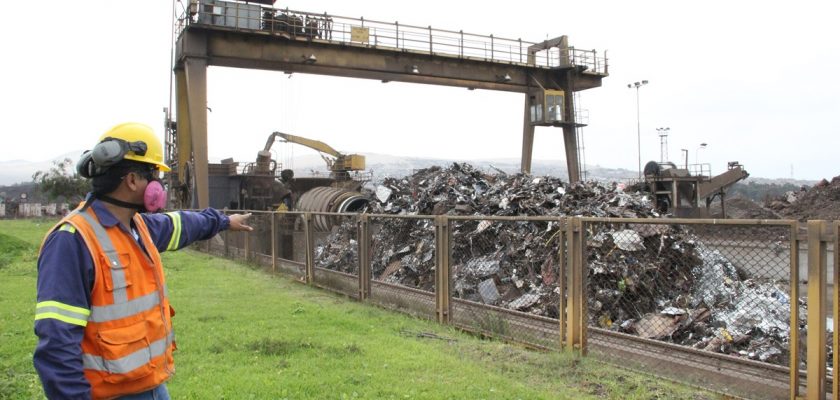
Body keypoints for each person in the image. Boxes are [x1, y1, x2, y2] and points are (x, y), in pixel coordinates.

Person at [33, 122, 254, 399]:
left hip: (150, 386)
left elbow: (182, 224)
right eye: (153, 175)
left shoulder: (138, 228)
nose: (158, 185)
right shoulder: (72, 241)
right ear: (132, 181)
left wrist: (223, 221)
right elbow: (57, 344)